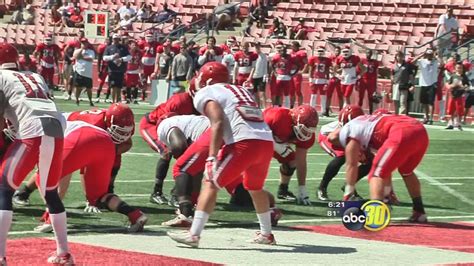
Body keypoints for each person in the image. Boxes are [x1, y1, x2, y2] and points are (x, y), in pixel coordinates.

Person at [168, 62, 276, 247]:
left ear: (207, 79)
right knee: (255, 188)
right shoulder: (241, 90)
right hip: (266, 141)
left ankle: (194, 235)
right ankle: (266, 234)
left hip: (244, 142)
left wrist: (211, 156)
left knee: (210, 183)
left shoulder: (207, 92)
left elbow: (217, 122)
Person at [0, 43, 73, 264]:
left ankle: (0, 255)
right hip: (57, 128)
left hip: (32, 129)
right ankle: (64, 253)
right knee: (50, 192)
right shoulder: (35, 75)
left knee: (3, 189)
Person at [20, 120, 148, 233]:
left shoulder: (36, 125)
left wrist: (52, 211)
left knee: (43, 176)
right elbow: (64, 175)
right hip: (106, 141)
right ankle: (135, 215)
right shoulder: (56, 118)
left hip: (81, 136)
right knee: (99, 196)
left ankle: (53, 219)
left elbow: (57, 175)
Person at [13, 103, 135, 204]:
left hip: (88, 134)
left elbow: (127, 143)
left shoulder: (123, 125)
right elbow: (85, 165)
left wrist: (111, 153)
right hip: (62, 127)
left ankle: (106, 191)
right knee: (57, 167)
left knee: (114, 162)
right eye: (118, 130)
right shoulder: (95, 124)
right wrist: (90, 199)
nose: (122, 134)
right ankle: (26, 192)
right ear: (108, 122)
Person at [328, 113, 429, 223]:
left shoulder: (351, 134)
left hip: (401, 132)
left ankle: (376, 215)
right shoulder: (368, 124)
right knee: (406, 171)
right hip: (420, 131)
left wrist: (347, 195)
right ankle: (419, 212)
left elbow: (351, 165)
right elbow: (387, 168)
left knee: (375, 174)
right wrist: (387, 191)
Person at [139, 91, 200, 205]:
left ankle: (178, 192)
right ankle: (157, 192)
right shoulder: (180, 102)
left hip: (177, 130)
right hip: (154, 124)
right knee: (167, 152)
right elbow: (165, 122)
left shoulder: (205, 103)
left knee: (191, 157)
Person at [264, 105, 318, 205]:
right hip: (260, 139)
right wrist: (275, 145)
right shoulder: (277, 117)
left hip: (277, 140)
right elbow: (256, 132)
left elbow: (301, 161)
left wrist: (302, 188)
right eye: (304, 129)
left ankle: (283, 190)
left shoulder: (307, 135)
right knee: (258, 160)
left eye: (308, 130)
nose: (306, 133)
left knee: (292, 161)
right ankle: (244, 187)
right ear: (295, 120)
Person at [317, 105, 371, 201]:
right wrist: (354, 150)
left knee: (369, 162)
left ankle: (349, 185)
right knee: (342, 156)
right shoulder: (344, 127)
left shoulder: (364, 124)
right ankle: (322, 188)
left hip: (343, 139)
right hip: (328, 137)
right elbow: (332, 138)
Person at [412, 49, 441, 124]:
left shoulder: (435, 62)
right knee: (424, 102)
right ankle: (426, 117)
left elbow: (442, 64)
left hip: (432, 83)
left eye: (431, 54)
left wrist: (436, 57)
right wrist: (421, 55)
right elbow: (412, 62)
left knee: (431, 102)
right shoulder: (422, 61)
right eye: (428, 54)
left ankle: (431, 118)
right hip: (423, 84)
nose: (430, 56)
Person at [103, 33, 131, 103]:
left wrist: (121, 59)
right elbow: (104, 58)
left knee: (119, 87)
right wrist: (112, 57)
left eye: (117, 39)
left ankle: (117, 100)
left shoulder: (123, 48)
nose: (116, 40)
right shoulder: (109, 48)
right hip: (112, 70)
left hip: (120, 70)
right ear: (112, 39)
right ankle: (113, 101)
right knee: (112, 86)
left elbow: (129, 57)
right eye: (114, 39)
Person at [306, 46, 332, 113]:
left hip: (323, 79)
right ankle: (311, 110)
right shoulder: (313, 59)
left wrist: (327, 80)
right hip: (315, 79)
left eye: (321, 51)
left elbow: (327, 70)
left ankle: (323, 111)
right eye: (319, 51)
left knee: (323, 96)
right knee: (313, 95)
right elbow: (311, 70)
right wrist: (310, 79)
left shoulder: (327, 60)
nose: (320, 53)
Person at [390, 51, 416, 115]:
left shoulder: (407, 65)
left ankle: (402, 117)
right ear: (396, 57)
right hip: (396, 85)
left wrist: (412, 85)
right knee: (396, 102)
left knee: (403, 102)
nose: (399, 57)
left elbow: (411, 76)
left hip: (404, 85)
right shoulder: (393, 66)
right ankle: (396, 116)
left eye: (401, 56)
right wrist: (391, 83)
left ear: (403, 57)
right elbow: (391, 75)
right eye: (398, 56)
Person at [270, 41, 296, 108]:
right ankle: (276, 107)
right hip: (279, 76)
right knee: (278, 93)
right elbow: (272, 64)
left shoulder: (290, 57)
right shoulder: (276, 57)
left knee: (286, 94)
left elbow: (298, 65)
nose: (283, 52)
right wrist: (275, 72)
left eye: (284, 50)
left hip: (287, 76)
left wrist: (293, 73)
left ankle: (287, 108)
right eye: (282, 50)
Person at [446, 62, 469, 130]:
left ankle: (458, 122)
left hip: (460, 95)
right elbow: (448, 83)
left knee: (459, 110)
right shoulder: (453, 76)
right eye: (458, 68)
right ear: (455, 68)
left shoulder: (464, 77)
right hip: (453, 95)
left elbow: (467, 85)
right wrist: (450, 86)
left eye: (460, 68)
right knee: (451, 110)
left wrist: (462, 86)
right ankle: (451, 122)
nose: (459, 69)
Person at [72, 38, 95, 106]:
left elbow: (91, 59)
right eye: (82, 43)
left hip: (87, 73)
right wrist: (81, 50)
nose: (84, 44)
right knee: (78, 87)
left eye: (85, 43)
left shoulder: (91, 51)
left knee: (89, 88)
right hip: (79, 71)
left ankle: (90, 100)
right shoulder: (77, 50)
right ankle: (77, 99)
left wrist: (82, 57)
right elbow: (75, 56)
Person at [358, 50, 379, 114]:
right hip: (363, 80)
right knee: (361, 97)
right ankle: (359, 111)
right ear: (365, 53)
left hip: (371, 81)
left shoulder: (375, 62)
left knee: (371, 98)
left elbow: (376, 73)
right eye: (367, 53)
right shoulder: (362, 61)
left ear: (371, 54)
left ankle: (371, 112)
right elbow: (359, 71)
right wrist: (358, 81)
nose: (368, 54)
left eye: (369, 53)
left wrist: (375, 84)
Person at [290, 41, 308, 107]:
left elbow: (306, 63)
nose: (291, 47)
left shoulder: (301, 53)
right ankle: (291, 106)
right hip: (291, 72)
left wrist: (303, 71)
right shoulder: (291, 53)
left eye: (292, 45)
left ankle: (300, 106)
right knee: (291, 91)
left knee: (297, 90)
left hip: (297, 72)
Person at [326, 46, 343, 116]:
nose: (337, 52)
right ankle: (326, 109)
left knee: (340, 95)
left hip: (339, 78)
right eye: (336, 51)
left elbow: (343, 68)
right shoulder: (331, 58)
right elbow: (328, 66)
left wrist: (336, 71)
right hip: (332, 77)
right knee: (328, 95)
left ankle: (341, 111)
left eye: (338, 51)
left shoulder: (342, 58)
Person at [95, 38, 112, 103]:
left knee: (110, 83)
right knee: (101, 82)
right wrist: (98, 70)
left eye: (109, 40)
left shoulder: (113, 48)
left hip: (111, 67)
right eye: (107, 40)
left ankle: (107, 98)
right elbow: (99, 59)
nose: (108, 42)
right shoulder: (102, 48)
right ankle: (97, 97)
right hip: (104, 67)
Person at [252, 42, 268, 108]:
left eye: (258, 46)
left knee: (262, 93)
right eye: (256, 47)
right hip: (253, 76)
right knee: (255, 93)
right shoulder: (252, 55)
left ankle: (264, 107)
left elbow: (265, 66)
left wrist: (265, 75)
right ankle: (257, 106)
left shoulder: (263, 56)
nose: (257, 48)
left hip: (261, 76)